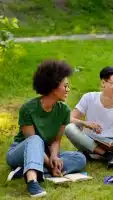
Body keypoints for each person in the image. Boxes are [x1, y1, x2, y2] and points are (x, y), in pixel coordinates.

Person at [6, 60, 86, 198]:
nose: (68, 90)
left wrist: (54, 157)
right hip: (20, 151)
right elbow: (31, 140)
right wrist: (51, 164)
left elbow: (56, 140)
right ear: (53, 87)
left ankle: (26, 170)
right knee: (35, 139)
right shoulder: (28, 109)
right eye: (65, 86)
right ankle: (32, 181)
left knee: (80, 158)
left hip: (46, 153)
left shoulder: (64, 110)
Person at [65, 66, 113, 169]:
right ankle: (107, 156)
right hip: (90, 141)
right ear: (103, 83)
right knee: (69, 128)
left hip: (111, 145)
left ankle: (95, 155)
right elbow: (69, 119)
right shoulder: (89, 97)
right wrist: (86, 124)